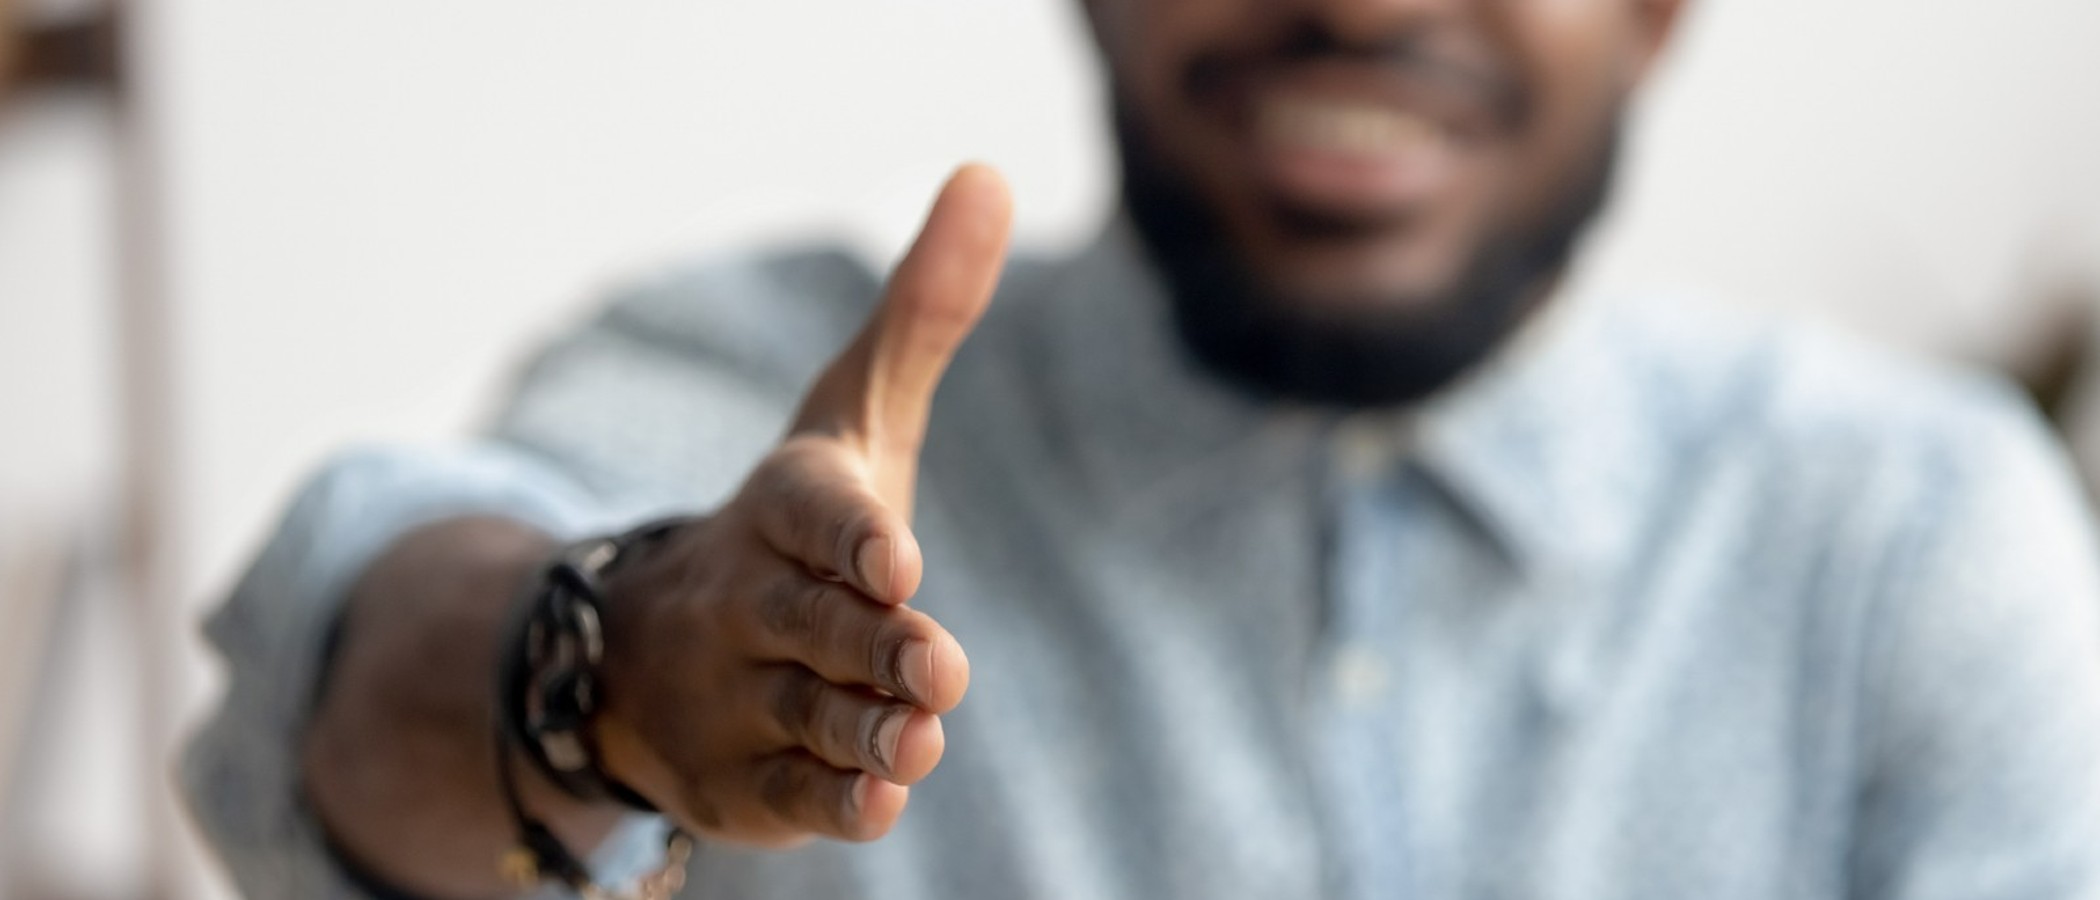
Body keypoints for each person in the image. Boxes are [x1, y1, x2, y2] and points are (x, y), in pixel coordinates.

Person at [183, 1, 2100, 898]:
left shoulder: (1908, 533)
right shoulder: (769, 391)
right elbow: (337, 681)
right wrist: (605, 672)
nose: (1357, 5)